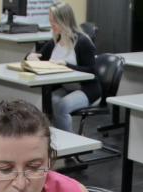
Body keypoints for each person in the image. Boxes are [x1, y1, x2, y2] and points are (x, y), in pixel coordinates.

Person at [26, 2, 100, 132]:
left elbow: (92, 71)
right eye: (50, 20)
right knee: (48, 99)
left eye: (54, 21)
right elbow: (39, 57)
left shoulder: (83, 42)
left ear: (64, 20)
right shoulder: (55, 41)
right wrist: (30, 57)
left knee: (62, 106)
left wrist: (67, 65)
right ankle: (55, 138)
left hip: (86, 89)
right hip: (66, 87)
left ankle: (68, 144)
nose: (51, 24)